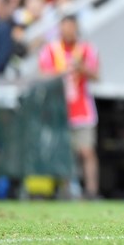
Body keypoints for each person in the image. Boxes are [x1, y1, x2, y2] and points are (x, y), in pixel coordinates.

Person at [38, 16, 101, 199]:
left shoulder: (86, 49)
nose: (68, 31)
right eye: (65, 27)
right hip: (59, 108)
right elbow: (42, 75)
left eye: (71, 27)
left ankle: (91, 190)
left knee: (87, 150)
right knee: (63, 151)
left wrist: (82, 69)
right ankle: (66, 190)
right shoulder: (51, 50)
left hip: (82, 108)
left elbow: (96, 74)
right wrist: (61, 72)